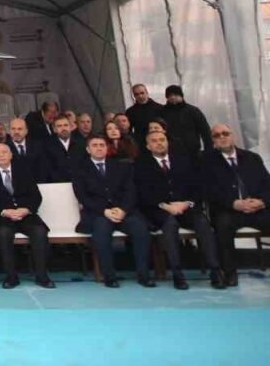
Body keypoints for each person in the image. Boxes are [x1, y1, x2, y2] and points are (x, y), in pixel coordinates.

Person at [134, 129, 222, 290]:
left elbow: (197, 187)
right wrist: (166, 206)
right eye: (154, 141)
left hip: (185, 207)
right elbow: (142, 194)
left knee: (202, 222)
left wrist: (186, 203)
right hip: (159, 209)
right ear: (147, 146)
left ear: (167, 142)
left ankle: (215, 271)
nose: (159, 143)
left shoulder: (183, 161)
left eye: (162, 140)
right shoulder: (141, 165)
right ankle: (177, 274)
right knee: (170, 225)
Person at [74, 135, 153, 288]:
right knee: (101, 233)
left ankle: (144, 275)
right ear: (88, 149)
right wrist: (104, 211)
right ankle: (109, 277)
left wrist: (123, 210)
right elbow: (82, 196)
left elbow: (130, 191)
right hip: (98, 213)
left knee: (141, 230)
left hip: (123, 211)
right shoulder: (80, 170)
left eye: (102, 145)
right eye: (95, 145)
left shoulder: (121, 166)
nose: (99, 148)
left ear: (107, 148)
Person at [201, 123, 270, 287]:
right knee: (222, 225)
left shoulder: (252, 158)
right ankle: (230, 272)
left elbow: (267, 185)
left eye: (225, 133)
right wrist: (233, 203)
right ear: (213, 141)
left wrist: (262, 202)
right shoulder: (207, 162)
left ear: (233, 136)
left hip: (257, 208)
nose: (222, 137)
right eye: (217, 135)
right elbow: (208, 191)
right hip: (228, 210)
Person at [0, 142, 53, 288]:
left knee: (39, 231)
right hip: (3, 216)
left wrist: (26, 210)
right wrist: (4, 211)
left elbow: (36, 196)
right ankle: (11, 277)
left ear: (11, 154)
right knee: (4, 233)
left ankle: (42, 276)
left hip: (25, 214)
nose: (1, 155)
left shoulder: (23, 170)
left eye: (4, 152)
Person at [161, 85, 212, 162]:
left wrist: (209, 150)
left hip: (193, 154)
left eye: (176, 95)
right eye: (170, 95)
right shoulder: (162, 112)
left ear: (181, 96)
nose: (173, 97)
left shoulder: (193, 111)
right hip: (171, 154)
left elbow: (205, 131)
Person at [43, 115, 86, 182]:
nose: (63, 128)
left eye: (66, 125)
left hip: (80, 183)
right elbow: (46, 169)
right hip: (57, 184)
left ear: (70, 127)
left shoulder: (81, 143)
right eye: (59, 126)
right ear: (54, 129)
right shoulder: (47, 146)